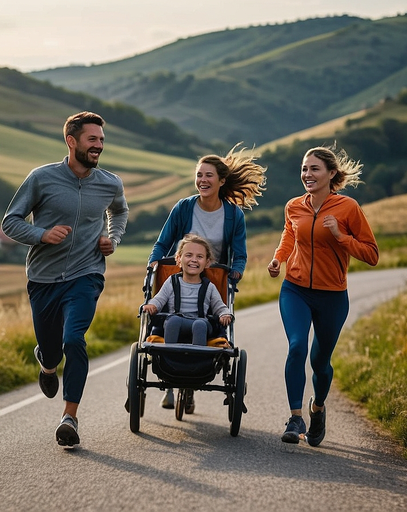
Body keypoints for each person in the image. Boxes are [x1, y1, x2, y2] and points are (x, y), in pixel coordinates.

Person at [1, 111, 129, 447]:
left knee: (74, 339)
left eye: (101, 140)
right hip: (43, 278)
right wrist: (42, 234)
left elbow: (120, 211)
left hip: (86, 274)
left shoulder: (110, 183)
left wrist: (112, 240)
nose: (99, 145)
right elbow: (10, 222)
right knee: (53, 348)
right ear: (72, 141)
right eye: (92, 139)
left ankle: (69, 416)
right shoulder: (41, 178)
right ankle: (47, 363)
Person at [267, 144, 379, 446]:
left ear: (331, 174)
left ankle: (317, 409)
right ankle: (295, 417)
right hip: (295, 289)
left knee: (320, 362)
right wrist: (279, 259)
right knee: (296, 348)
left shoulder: (348, 209)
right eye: (304, 168)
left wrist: (342, 237)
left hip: (332, 296)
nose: (307, 174)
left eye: (314, 169)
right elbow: (289, 236)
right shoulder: (294, 206)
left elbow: (371, 254)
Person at [149, 143, 267, 410]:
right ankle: (170, 381)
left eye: (208, 175)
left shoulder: (233, 215)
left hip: (213, 277)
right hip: (183, 272)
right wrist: (153, 265)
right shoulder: (183, 207)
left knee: (203, 325)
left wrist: (236, 272)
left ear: (221, 181)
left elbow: (240, 253)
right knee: (173, 320)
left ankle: (191, 382)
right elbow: (163, 242)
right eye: (199, 175)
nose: (202, 180)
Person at [143, 234, 233, 346]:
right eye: (189, 255)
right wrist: (152, 305)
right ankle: (169, 355)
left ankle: (198, 357)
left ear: (207, 262)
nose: (194, 260)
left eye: (199, 257)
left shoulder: (209, 286)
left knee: (199, 324)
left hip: (201, 323)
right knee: (173, 321)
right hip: (176, 320)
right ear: (178, 259)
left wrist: (224, 314)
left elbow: (219, 306)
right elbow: (159, 299)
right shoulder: (172, 281)